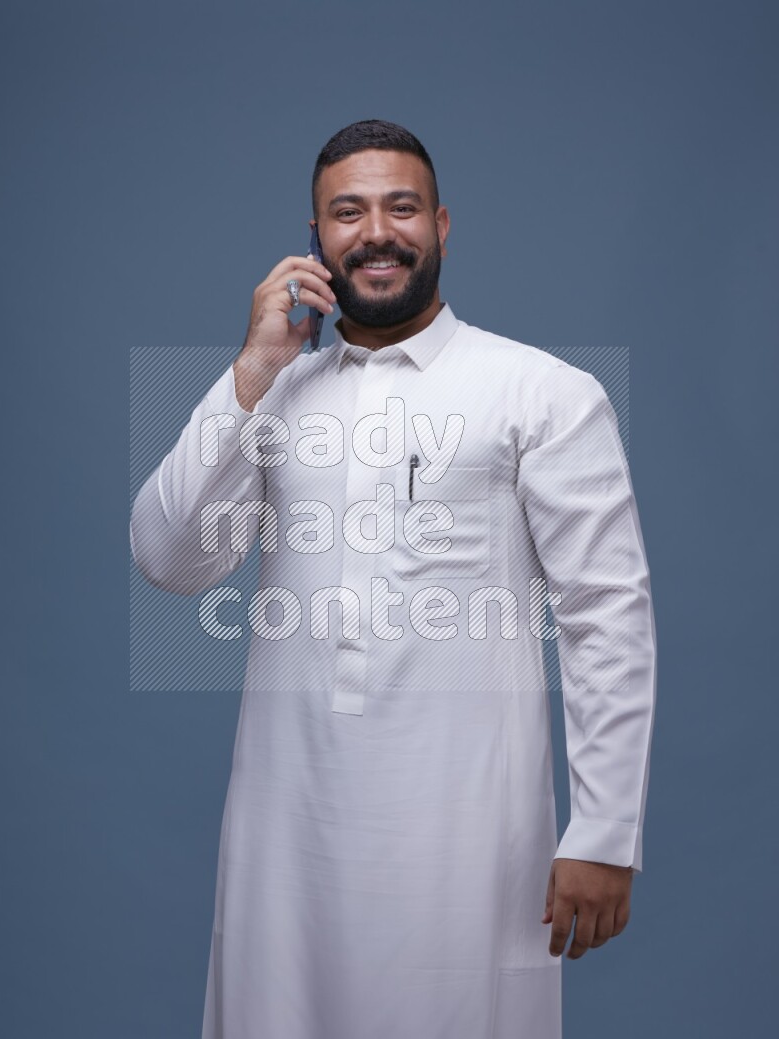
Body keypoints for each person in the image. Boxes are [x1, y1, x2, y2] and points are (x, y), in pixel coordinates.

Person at [130, 119, 657, 1039]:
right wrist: (254, 366)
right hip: (286, 838)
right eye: (348, 212)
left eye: (400, 207)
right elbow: (171, 559)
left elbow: (607, 617)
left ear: (442, 226)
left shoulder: (542, 393)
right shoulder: (276, 394)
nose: (377, 231)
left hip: (468, 837)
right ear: (316, 240)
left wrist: (605, 833)